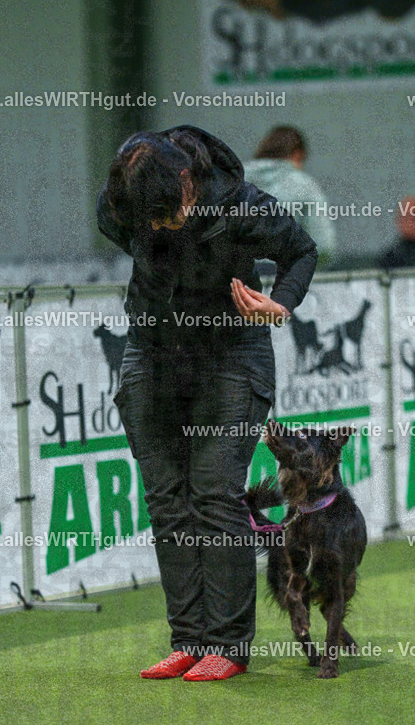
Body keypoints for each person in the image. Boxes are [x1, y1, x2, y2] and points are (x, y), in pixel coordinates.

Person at [96, 124, 317, 681]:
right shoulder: (122, 204)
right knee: (167, 501)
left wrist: (280, 303)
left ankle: (227, 645)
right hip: (151, 353)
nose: (161, 227)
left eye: (170, 213)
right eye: (150, 221)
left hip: (231, 355)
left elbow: (302, 251)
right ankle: (187, 639)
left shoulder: (241, 205)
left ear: (187, 180)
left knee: (215, 496)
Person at [244, 125, 336, 266]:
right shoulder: (304, 185)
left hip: (235, 278)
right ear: (298, 154)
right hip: (284, 276)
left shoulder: (236, 180)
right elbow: (323, 246)